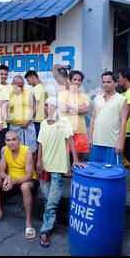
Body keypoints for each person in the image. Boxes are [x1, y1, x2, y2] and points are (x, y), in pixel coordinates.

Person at [36, 97, 86, 248]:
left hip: (58, 167)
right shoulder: (44, 124)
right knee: (46, 198)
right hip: (44, 167)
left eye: (47, 105)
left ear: (54, 107)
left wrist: (75, 160)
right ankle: (51, 224)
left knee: (52, 202)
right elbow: (40, 144)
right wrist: (38, 162)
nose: (44, 107)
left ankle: (44, 231)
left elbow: (71, 139)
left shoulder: (63, 122)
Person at [88, 71, 127, 165]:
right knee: (95, 171)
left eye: (109, 82)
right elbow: (93, 118)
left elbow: (123, 121)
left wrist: (120, 142)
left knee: (112, 173)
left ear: (116, 83)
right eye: (103, 82)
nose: (106, 84)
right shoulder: (97, 99)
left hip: (112, 143)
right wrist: (90, 138)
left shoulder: (122, 99)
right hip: (97, 142)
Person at [58, 70, 90, 165]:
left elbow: (86, 110)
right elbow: (64, 109)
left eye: (79, 80)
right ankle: (67, 172)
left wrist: (70, 106)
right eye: (74, 79)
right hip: (65, 128)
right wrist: (79, 108)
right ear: (69, 80)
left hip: (79, 129)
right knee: (64, 154)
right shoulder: (62, 94)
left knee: (79, 156)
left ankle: (77, 175)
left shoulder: (84, 96)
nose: (77, 82)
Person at [8, 75, 37, 153]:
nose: (20, 88)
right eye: (17, 86)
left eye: (21, 86)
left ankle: (31, 165)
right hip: (14, 127)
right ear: (12, 84)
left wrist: (27, 121)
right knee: (15, 149)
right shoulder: (8, 95)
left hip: (28, 125)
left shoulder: (29, 93)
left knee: (31, 149)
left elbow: (35, 109)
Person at [24, 70, 47, 137]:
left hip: (37, 120)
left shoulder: (38, 89)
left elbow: (35, 107)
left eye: (28, 80)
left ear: (32, 77)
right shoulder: (41, 87)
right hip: (41, 119)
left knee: (37, 142)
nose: (28, 83)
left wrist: (27, 121)